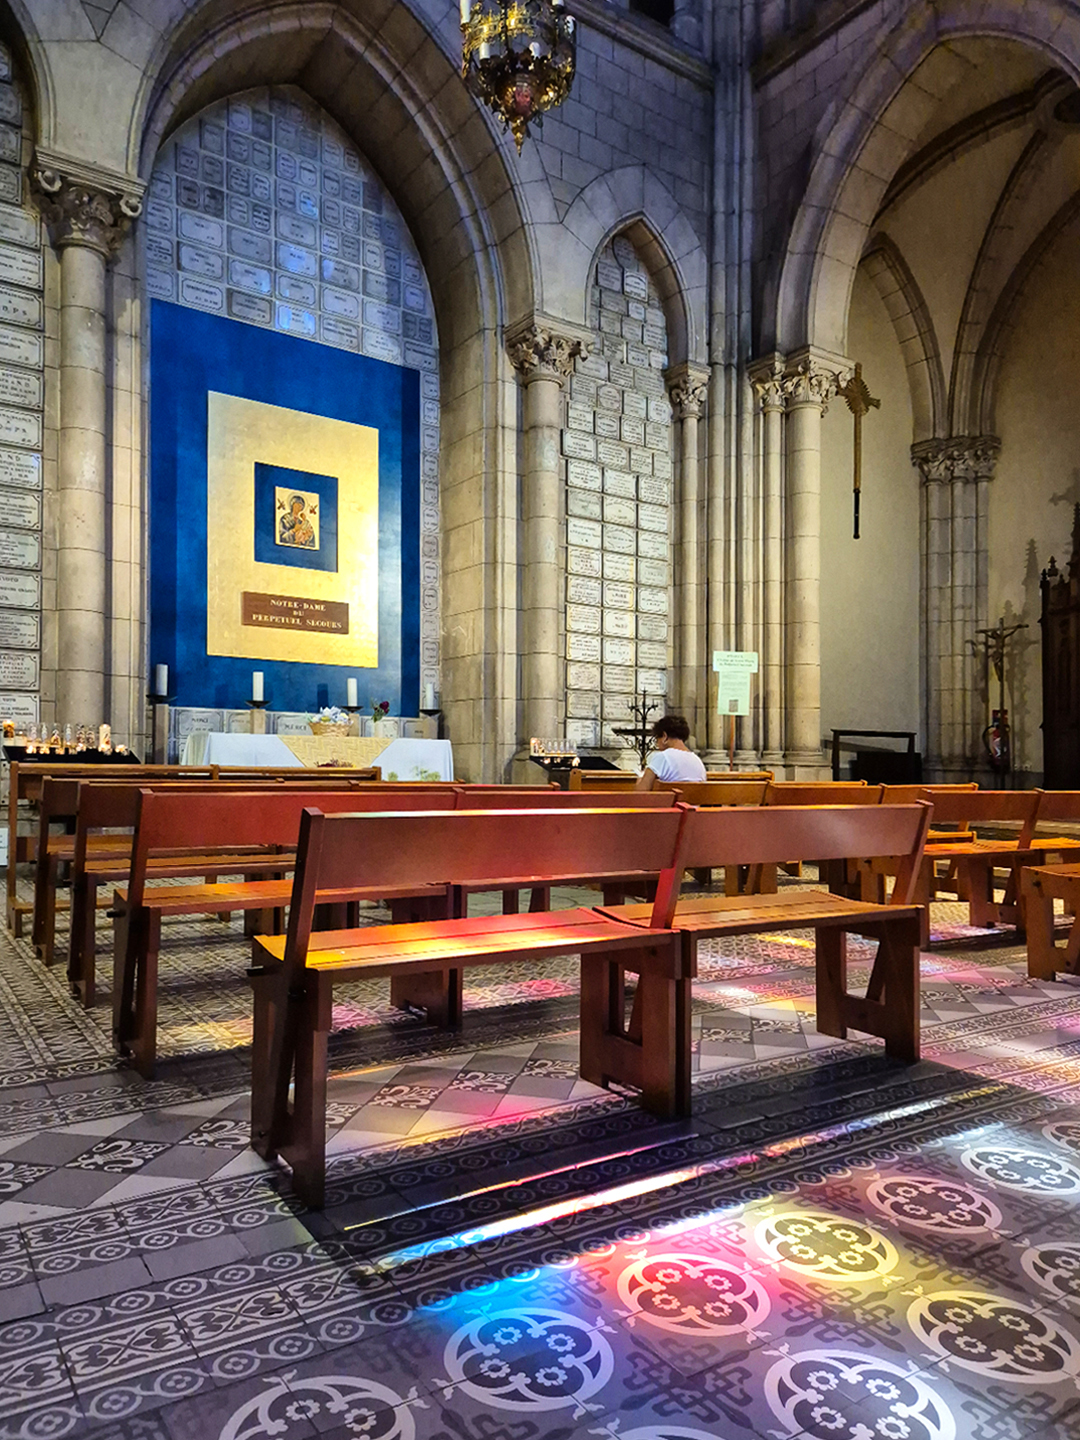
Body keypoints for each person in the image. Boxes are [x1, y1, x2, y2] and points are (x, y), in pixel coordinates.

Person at [635, 714, 707, 790]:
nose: (657, 744)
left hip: (669, 798)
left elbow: (641, 792)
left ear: (664, 737)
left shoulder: (663, 757)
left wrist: (640, 777)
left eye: (657, 739)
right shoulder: (697, 761)